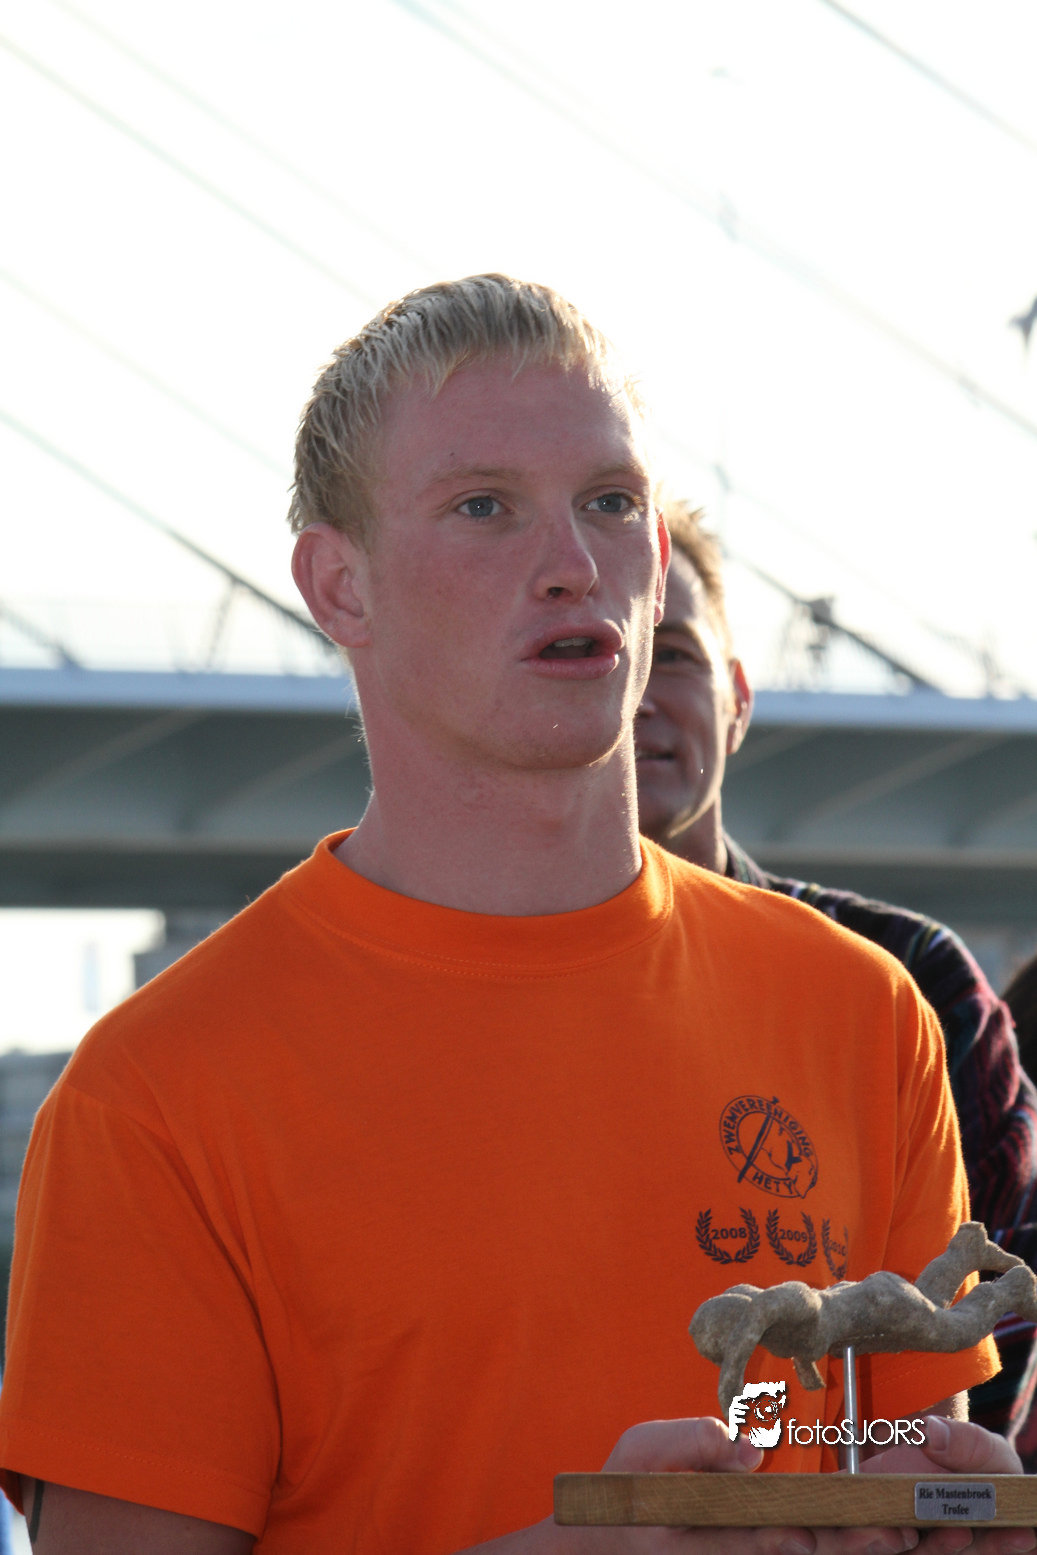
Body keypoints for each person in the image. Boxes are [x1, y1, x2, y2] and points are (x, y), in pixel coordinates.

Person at [0, 278, 1023, 1555]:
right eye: (483, 506)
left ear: (656, 562)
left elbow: (907, 1472)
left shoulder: (862, 1013)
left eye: (611, 503)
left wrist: (956, 1522)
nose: (572, 565)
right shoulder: (153, 1098)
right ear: (340, 586)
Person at [635, 498, 1037, 1445]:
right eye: (600, 657)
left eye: (675, 654)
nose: (637, 693)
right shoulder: (463, 1001)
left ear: (738, 699)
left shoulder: (913, 985)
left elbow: (990, 1352)